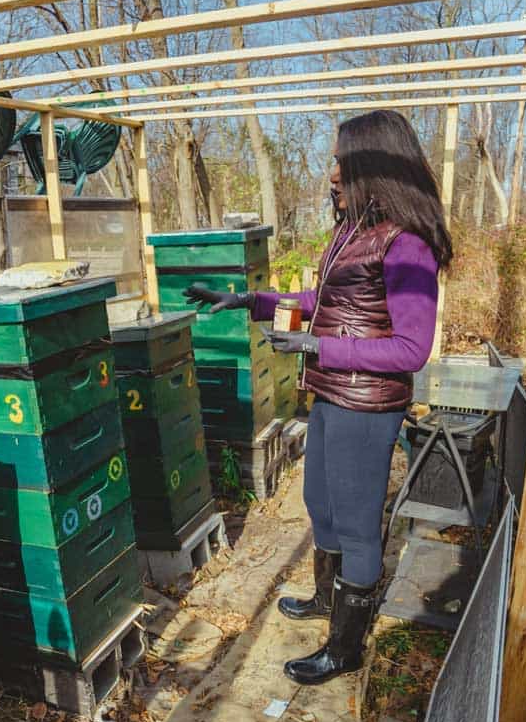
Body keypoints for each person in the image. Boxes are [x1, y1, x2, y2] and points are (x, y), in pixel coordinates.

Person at [185, 110, 451, 686]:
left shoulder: (407, 247)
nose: (331, 172)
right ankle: (329, 600)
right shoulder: (355, 231)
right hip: (331, 393)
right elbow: (325, 295)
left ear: (372, 164)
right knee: (320, 503)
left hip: (367, 404)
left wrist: (319, 345)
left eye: (340, 160)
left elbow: (411, 348)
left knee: (356, 524)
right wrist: (251, 301)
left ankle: (346, 649)